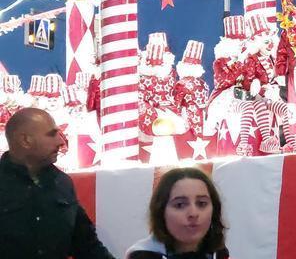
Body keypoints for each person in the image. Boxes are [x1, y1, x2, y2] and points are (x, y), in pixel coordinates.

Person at [0, 107, 115, 259]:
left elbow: (87, 245)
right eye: (52, 134)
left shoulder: (62, 183)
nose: (61, 141)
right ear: (25, 140)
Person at [125, 167, 229, 259]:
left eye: (201, 203)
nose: (193, 213)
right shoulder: (144, 255)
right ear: (161, 212)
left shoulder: (219, 254)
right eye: (180, 205)